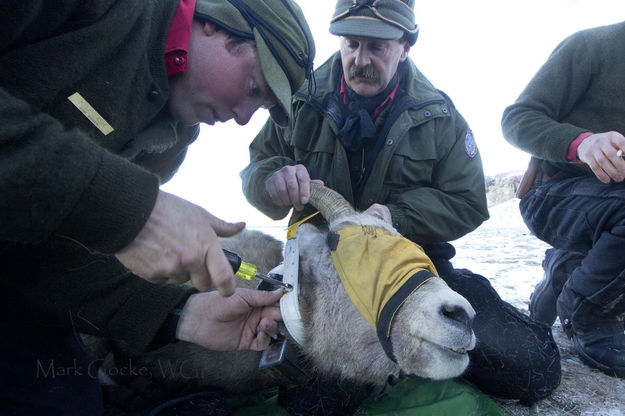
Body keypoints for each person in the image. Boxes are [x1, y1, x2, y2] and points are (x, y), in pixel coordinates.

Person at [241, 0, 561, 408]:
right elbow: (258, 165)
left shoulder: (441, 117)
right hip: (326, 282)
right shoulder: (300, 100)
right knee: (311, 401)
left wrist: (398, 217)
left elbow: (468, 201)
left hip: (411, 273)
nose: (361, 59)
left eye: (377, 47)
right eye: (352, 43)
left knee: (533, 368)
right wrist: (271, 182)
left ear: (405, 46)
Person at [0, 0, 315, 414]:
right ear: (215, 23)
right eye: (254, 88)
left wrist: (179, 313)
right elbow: (111, 210)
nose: (243, 118)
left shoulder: (172, 144)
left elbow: (51, 251)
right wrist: (131, 211)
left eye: (259, 108)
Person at [502, 21, 625, 378]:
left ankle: (566, 271)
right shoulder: (593, 46)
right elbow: (516, 119)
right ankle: (587, 310)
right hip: (550, 193)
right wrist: (582, 143)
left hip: (610, 205)